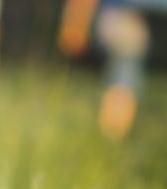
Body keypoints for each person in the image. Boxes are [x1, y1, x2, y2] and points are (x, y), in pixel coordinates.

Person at [60, 0, 167, 138]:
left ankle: (112, 133)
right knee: (128, 39)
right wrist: (76, 22)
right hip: (119, 15)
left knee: (129, 40)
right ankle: (112, 132)